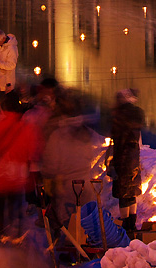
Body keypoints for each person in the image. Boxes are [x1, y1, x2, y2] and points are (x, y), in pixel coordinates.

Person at [41, 90, 107, 226]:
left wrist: (48, 177)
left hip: (66, 186)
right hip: (86, 183)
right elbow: (91, 155)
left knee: (66, 223)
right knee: (85, 223)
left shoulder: (58, 135)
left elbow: (51, 163)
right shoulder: (85, 133)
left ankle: (66, 243)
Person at [0, 90, 38, 237]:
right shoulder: (26, 126)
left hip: (0, 173)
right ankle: (15, 233)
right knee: (15, 205)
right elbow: (32, 150)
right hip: (17, 175)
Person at [107, 89, 144, 235]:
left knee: (123, 192)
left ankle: (125, 225)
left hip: (122, 158)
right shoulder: (137, 115)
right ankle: (131, 224)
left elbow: (117, 140)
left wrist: (112, 162)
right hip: (133, 157)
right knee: (132, 191)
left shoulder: (119, 117)